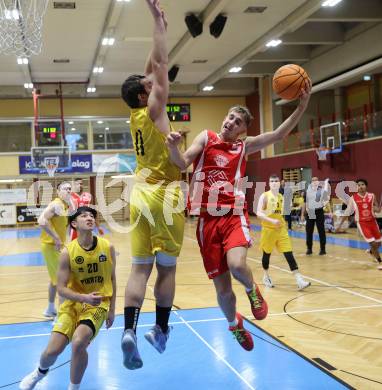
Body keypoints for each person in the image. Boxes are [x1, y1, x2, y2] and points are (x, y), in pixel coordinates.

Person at [167, 87, 311, 350]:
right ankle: (234, 324)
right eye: (230, 117)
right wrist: (173, 147)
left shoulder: (243, 146)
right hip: (206, 221)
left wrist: (302, 106)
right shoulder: (207, 137)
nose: (230, 122)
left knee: (236, 265)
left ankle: (252, 290)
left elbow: (279, 134)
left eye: (237, 121)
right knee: (222, 289)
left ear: (243, 130)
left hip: (232, 214)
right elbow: (181, 163)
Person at [120, 0, 185, 369]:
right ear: (146, 95)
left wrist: (158, 23)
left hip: (139, 192)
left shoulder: (134, 112)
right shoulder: (155, 107)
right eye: (149, 85)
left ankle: (130, 329)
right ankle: (160, 330)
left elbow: (150, 67)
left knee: (138, 269)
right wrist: (155, 19)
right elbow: (159, 65)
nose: (154, 80)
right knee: (168, 269)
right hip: (166, 193)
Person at [19, 206, 116, 390]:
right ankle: (39, 372)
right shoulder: (67, 252)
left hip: (97, 305)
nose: (89, 218)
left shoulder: (107, 247)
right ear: (74, 223)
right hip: (73, 304)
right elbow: (61, 289)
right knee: (51, 352)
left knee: (79, 342)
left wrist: (111, 309)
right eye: (84, 215)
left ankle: (73, 388)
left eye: (92, 216)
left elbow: (112, 279)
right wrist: (83, 297)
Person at [257, 175, 311, 290]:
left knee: (288, 253)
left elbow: (285, 211)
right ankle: (266, 276)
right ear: (269, 183)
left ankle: (299, 279)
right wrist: (271, 220)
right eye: (272, 181)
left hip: (281, 229)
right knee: (266, 255)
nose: (274, 183)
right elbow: (259, 213)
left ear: (279, 183)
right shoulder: (264, 196)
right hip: (268, 230)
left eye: (276, 181)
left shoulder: (282, 196)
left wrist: (292, 205)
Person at [38, 182, 75, 318]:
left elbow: (73, 214)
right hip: (51, 246)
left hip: (55, 246)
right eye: (65, 189)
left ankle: (49, 309)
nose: (68, 191)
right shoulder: (56, 204)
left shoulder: (64, 205)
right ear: (58, 191)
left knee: (55, 279)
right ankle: (61, 316)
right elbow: (41, 221)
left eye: (70, 189)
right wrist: (56, 238)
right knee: (62, 280)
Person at [337, 179, 382, 269]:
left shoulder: (372, 196)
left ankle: (371, 251)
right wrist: (340, 225)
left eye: (362, 185)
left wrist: (378, 207)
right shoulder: (353, 198)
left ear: (366, 186)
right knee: (372, 243)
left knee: (379, 243)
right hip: (362, 223)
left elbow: (377, 209)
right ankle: (380, 262)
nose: (360, 187)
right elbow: (347, 212)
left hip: (373, 222)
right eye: (358, 185)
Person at [301, 177, 330, 255]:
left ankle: (323, 249)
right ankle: (309, 248)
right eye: (313, 180)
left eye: (316, 180)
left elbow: (326, 201)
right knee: (309, 231)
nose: (315, 181)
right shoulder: (307, 191)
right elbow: (304, 203)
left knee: (321, 231)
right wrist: (302, 215)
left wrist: (330, 211)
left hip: (319, 211)